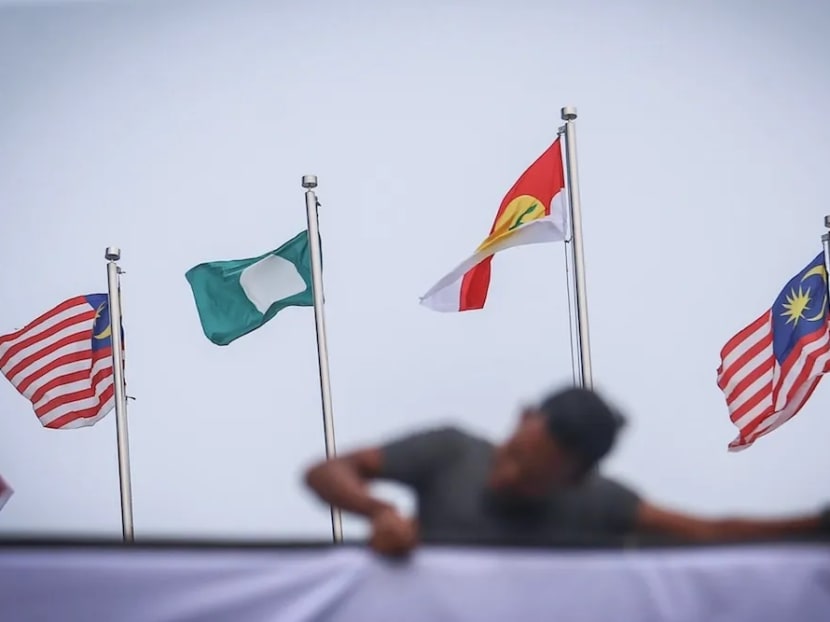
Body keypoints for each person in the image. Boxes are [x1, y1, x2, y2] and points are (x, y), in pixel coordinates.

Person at [304, 386, 830, 556]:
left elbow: (708, 533)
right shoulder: (450, 452)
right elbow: (327, 471)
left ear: (575, 481)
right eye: (512, 454)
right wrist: (378, 511)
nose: (507, 476)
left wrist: (810, 528)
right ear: (522, 418)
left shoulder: (600, 503)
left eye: (532, 475)